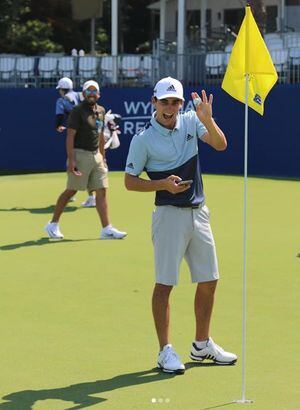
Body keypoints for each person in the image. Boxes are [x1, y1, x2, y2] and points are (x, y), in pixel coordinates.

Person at [124, 76, 237, 374]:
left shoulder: (190, 121)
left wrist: (208, 121)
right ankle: (165, 351)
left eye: (175, 101)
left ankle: (201, 345)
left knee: (210, 279)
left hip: (199, 212)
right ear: (154, 103)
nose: (170, 107)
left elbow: (220, 144)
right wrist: (162, 184)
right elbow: (129, 181)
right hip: (168, 215)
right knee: (165, 284)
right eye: (165, 101)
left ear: (181, 103)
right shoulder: (143, 139)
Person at [45, 80, 127, 240]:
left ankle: (106, 229)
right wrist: (72, 160)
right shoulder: (77, 111)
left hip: (96, 156)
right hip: (80, 154)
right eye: (88, 92)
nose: (91, 94)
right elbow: (70, 136)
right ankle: (53, 224)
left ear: (98, 94)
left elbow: (101, 136)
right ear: (83, 94)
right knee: (71, 191)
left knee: (102, 190)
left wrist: (103, 157)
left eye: (94, 91)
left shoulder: (102, 111)